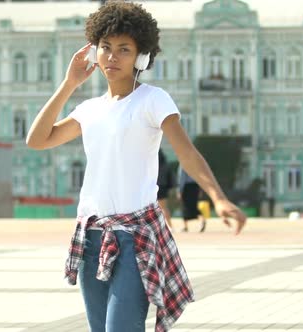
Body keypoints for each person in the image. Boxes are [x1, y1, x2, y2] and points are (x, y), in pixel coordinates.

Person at [26, 2, 247, 331]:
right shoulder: (90, 109)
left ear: (141, 57)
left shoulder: (153, 100)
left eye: (124, 49)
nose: (112, 57)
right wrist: (69, 84)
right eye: (106, 48)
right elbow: (38, 139)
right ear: (95, 52)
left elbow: (186, 152)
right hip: (91, 237)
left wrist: (218, 198)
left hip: (135, 238)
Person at [177, 168, 207, 232]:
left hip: (187, 188)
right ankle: (202, 220)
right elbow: (199, 177)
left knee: (184, 206)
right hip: (195, 187)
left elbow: (182, 179)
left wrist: (179, 191)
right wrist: (200, 189)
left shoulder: (182, 165)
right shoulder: (194, 163)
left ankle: (185, 226)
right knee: (194, 206)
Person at [157, 148, 174, 230]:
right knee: (164, 208)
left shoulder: (152, 165)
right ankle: (170, 226)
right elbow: (170, 177)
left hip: (152, 187)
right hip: (163, 187)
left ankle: (166, 227)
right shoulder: (165, 165)